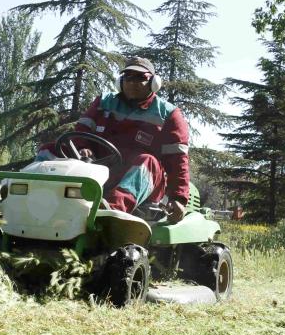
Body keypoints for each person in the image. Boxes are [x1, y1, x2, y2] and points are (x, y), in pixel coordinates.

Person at [37, 56, 190, 222]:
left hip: (143, 182)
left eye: (140, 78)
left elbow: (178, 161)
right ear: (121, 81)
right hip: (98, 170)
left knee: (147, 161)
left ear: (154, 83)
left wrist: (178, 198)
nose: (132, 82)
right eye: (128, 77)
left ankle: (108, 214)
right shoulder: (103, 102)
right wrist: (82, 148)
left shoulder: (168, 114)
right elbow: (82, 131)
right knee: (49, 150)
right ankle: (28, 194)